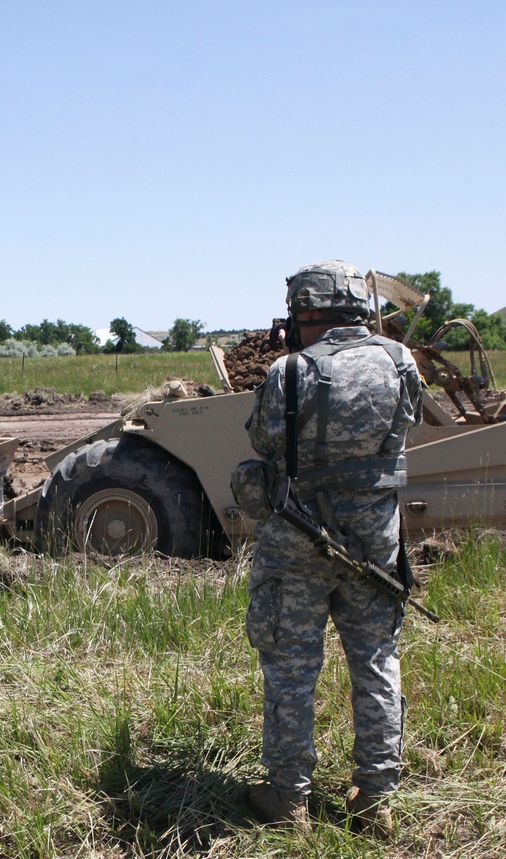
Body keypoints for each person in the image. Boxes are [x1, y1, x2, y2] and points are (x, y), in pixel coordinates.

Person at [242, 260, 423, 836]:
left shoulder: (288, 371)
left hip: (299, 538)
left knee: (291, 667)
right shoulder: (399, 361)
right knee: (376, 663)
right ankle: (376, 800)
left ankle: (289, 798)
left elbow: (265, 439)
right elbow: (409, 425)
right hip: (376, 540)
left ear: (306, 311)